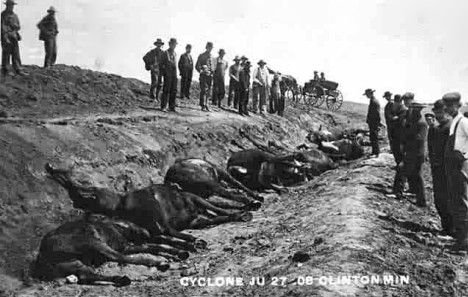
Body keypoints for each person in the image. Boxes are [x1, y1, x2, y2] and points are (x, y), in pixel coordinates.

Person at [443, 92, 468, 251]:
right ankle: (460, 238)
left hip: (460, 166)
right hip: (453, 167)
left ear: (458, 106)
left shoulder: (463, 122)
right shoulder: (454, 121)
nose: (447, 108)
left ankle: (464, 243)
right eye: (446, 106)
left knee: (462, 202)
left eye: (450, 106)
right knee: (456, 201)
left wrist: (464, 156)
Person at [394, 102, 427, 206]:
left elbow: (419, 139)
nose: (412, 110)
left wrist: (407, 143)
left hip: (416, 153)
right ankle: (419, 199)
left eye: (415, 109)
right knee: (413, 175)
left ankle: (421, 201)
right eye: (412, 108)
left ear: (418, 110)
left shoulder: (421, 123)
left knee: (417, 176)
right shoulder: (413, 121)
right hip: (412, 152)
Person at [428, 100, 453, 235]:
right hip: (437, 169)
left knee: (449, 199)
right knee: (439, 199)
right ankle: (446, 228)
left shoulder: (451, 128)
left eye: (440, 112)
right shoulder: (434, 128)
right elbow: (431, 149)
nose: (437, 115)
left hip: (448, 170)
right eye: (436, 112)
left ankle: (452, 230)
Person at [1, 0, 25, 76]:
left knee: (16, 54)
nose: (11, 6)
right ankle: (6, 70)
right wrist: (5, 38)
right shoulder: (3, 14)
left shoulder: (15, 15)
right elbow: (3, 27)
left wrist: (16, 28)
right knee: (6, 54)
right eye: (10, 5)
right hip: (7, 36)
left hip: (14, 36)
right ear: (7, 5)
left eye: (12, 5)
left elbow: (18, 26)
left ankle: (18, 69)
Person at [160, 38, 178, 112]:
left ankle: (172, 106)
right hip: (168, 74)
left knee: (173, 90)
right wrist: (165, 73)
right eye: (172, 44)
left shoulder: (175, 53)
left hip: (174, 74)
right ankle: (163, 106)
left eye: (174, 44)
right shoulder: (166, 53)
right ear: (169, 44)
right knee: (166, 90)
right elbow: (161, 64)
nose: (173, 45)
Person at [195, 42, 214, 111]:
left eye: (211, 47)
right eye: (209, 47)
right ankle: (203, 105)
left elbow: (213, 66)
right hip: (203, 75)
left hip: (210, 76)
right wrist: (201, 70)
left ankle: (206, 104)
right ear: (206, 47)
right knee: (203, 90)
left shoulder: (212, 57)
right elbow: (197, 65)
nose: (210, 49)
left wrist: (212, 72)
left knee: (208, 90)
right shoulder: (202, 55)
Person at [364, 88, 381, 157]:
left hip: (373, 122)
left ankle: (375, 153)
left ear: (370, 94)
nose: (366, 96)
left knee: (374, 137)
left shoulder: (374, 101)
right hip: (373, 122)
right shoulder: (373, 100)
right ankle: (375, 152)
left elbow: (376, 113)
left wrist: (377, 122)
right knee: (373, 136)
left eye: (367, 94)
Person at [383, 91, 395, 157]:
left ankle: (393, 150)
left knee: (392, 136)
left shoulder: (391, 103)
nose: (386, 98)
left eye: (387, 96)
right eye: (386, 97)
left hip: (392, 124)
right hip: (390, 123)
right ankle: (392, 149)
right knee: (391, 137)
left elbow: (392, 114)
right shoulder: (390, 103)